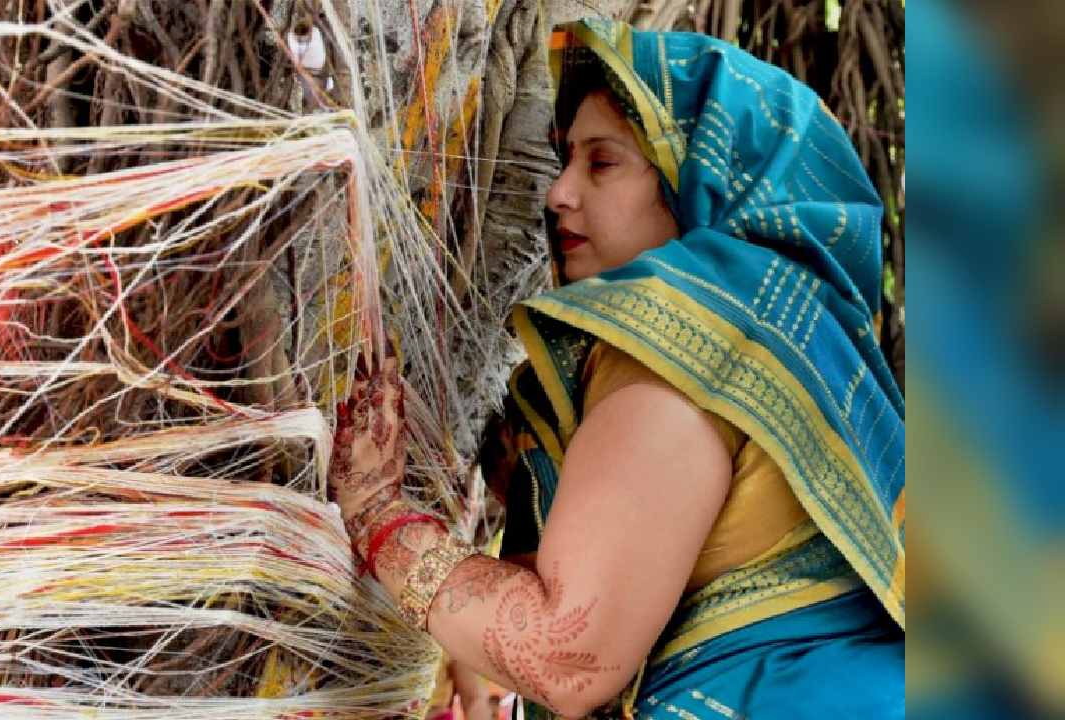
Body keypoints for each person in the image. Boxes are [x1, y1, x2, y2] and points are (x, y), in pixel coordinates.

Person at [330, 19, 904, 719]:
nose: (558, 194)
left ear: (697, 179)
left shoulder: (686, 343)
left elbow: (564, 658)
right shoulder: (792, 339)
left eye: (602, 163)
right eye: (565, 160)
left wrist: (378, 516)